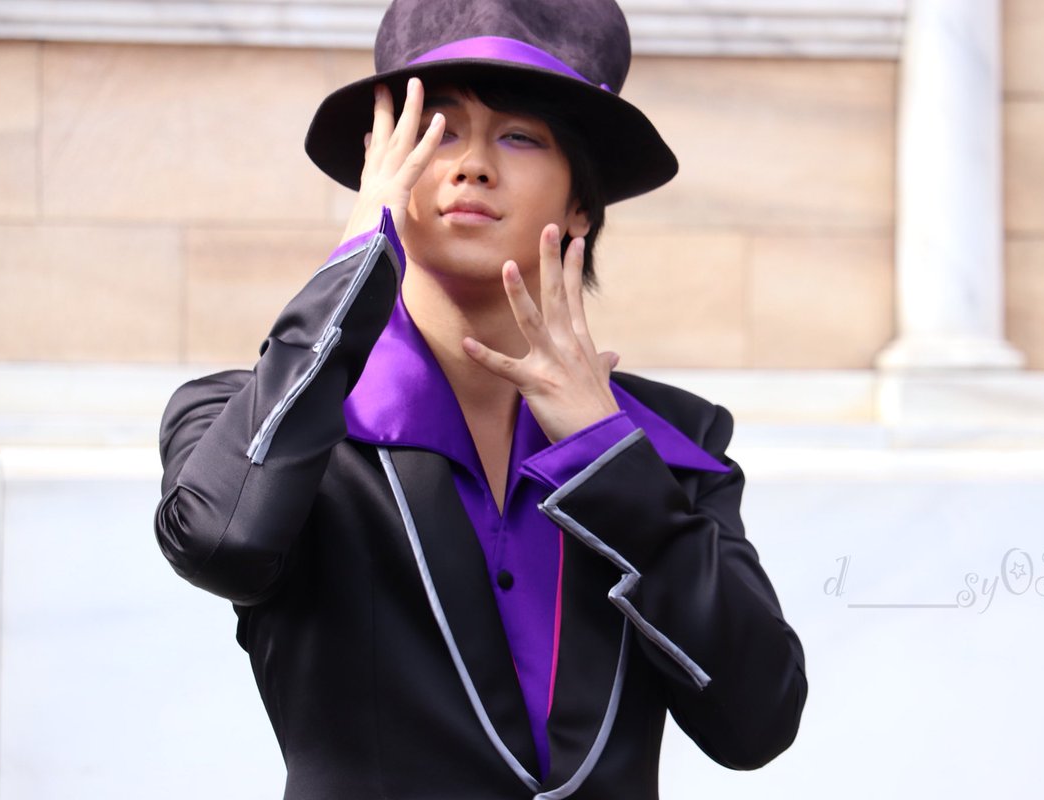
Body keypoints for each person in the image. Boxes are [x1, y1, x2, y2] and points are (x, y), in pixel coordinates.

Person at [153, 0, 807, 796]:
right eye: (437, 131)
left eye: (520, 135)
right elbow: (220, 543)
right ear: (382, 165)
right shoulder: (259, 419)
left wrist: (608, 461)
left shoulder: (671, 441)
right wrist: (358, 256)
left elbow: (758, 721)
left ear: (581, 202)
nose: (472, 165)